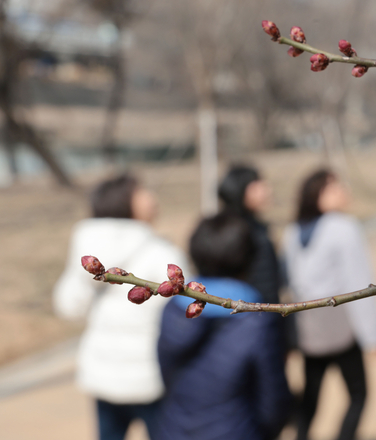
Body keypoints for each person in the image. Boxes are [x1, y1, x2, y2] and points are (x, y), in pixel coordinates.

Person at [53, 174, 190, 440]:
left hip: (103, 373)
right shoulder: (161, 253)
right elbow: (180, 316)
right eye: (143, 192)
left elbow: (69, 305)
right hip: (151, 375)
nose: (153, 198)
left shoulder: (86, 245)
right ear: (126, 202)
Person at [155, 212, 293, 440]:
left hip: (174, 428)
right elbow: (273, 400)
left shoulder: (173, 309)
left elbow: (166, 375)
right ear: (249, 259)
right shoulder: (256, 320)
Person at [283, 169, 376, 440]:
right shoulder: (344, 227)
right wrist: (373, 336)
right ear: (317, 195)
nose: (343, 191)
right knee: (358, 393)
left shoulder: (293, 231)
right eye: (334, 187)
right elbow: (359, 285)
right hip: (339, 326)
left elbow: (292, 282)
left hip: (309, 326)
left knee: (311, 397)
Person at [218, 165, 281, 304]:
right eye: (258, 185)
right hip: (251, 311)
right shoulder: (233, 232)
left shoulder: (254, 227)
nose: (267, 190)